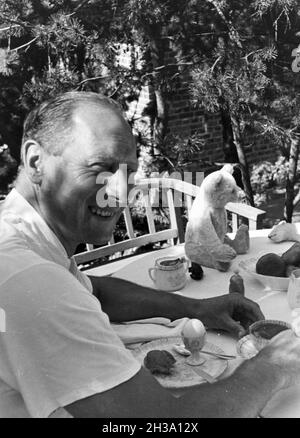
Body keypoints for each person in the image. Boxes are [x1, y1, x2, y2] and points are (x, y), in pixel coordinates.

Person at [0, 91, 299, 419]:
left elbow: (94, 291)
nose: (119, 191)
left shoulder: (23, 240)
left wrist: (198, 308)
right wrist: (273, 366)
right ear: (35, 161)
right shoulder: (31, 279)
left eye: (129, 172)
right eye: (102, 166)